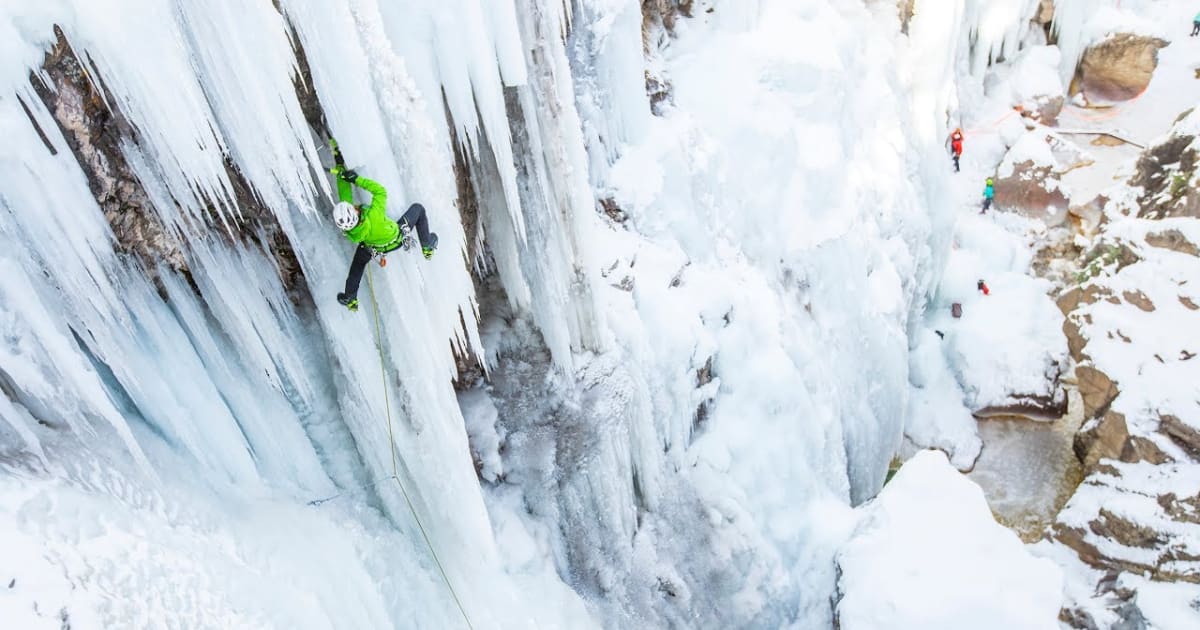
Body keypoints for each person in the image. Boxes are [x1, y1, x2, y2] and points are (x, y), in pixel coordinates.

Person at [328, 143, 437, 312]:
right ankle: (427, 246)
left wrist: (340, 166)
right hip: (398, 238)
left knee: (357, 266)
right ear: (355, 212)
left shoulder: (350, 231)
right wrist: (357, 179)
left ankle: (351, 298)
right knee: (418, 209)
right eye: (354, 208)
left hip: (373, 247)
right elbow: (380, 192)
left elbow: (345, 194)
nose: (354, 206)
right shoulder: (374, 215)